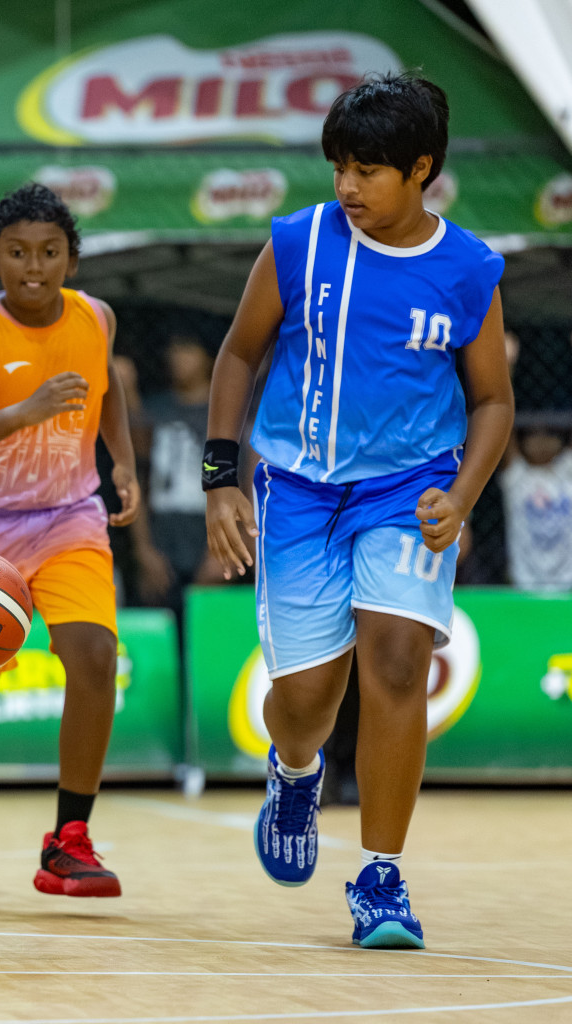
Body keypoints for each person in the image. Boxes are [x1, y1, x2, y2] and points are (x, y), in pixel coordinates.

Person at [202, 73, 513, 949]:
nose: (347, 186)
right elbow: (237, 353)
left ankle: (381, 878)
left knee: (399, 662)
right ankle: (294, 771)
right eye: (339, 165)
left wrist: (461, 495)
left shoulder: (468, 268)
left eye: (368, 170)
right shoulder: (298, 242)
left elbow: (492, 402)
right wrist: (220, 476)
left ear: (421, 171)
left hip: (408, 488)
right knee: (304, 701)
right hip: (298, 489)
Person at [0, 183, 141, 905]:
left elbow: (107, 394)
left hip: (70, 515)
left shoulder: (96, 316)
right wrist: (21, 413)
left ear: (72, 256)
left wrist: (123, 461)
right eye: (17, 253)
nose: (34, 266)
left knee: (95, 657)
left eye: (49, 252)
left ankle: (68, 842)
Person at [133, 335, 219, 607]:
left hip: (209, 530)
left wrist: (224, 549)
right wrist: (143, 549)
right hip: (162, 535)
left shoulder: (227, 412)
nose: (176, 356)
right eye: (172, 349)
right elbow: (139, 479)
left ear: (210, 357)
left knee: (210, 629)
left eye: (186, 347)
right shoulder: (153, 410)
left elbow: (246, 482)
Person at [500, 419, 572, 591]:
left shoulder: (567, 472)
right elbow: (505, 432)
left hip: (567, 581)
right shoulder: (517, 477)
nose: (541, 441)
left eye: (549, 435)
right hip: (524, 581)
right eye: (533, 435)